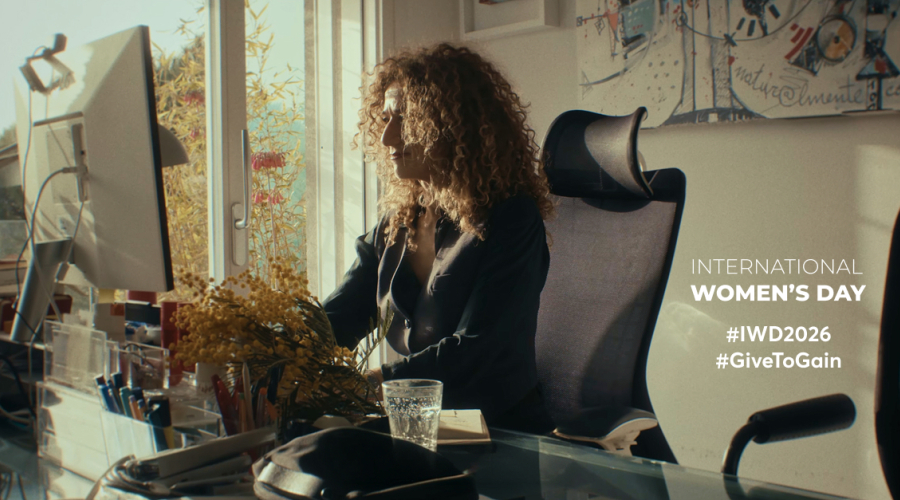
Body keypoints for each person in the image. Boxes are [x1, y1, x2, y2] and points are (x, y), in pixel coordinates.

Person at [322, 43, 555, 433]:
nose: (387, 138)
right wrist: (278, 349)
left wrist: (372, 385)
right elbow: (341, 315)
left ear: (452, 125)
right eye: (385, 119)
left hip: (496, 433)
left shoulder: (512, 219)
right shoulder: (397, 222)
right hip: (417, 424)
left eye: (405, 120)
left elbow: (478, 350)